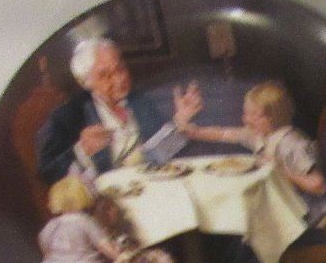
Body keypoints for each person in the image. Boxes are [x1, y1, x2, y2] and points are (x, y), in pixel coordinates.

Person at [36, 37, 203, 185]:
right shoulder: (69, 115)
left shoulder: (139, 102)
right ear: (84, 81)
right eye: (105, 75)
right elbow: (47, 174)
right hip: (106, 202)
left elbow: (157, 155)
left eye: (120, 69)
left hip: (150, 189)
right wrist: (81, 152)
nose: (119, 79)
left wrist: (180, 120)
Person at [180, 80, 326, 226]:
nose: (247, 120)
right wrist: (189, 127)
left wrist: (278, 170)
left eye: (255, 115)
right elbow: (222, 133)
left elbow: (318, 185)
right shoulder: (260, 135)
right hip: (287, 209)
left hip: (313, 216)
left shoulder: (291, 144)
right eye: (246, 113)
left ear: (274, 116)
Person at [36, 175, 175, 263]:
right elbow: (107, 248)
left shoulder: (51, 225)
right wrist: (122, 257)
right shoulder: (86, 222)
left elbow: (45, 249)